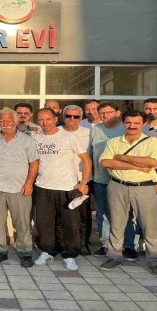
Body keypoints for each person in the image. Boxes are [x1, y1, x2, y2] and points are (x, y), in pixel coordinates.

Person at [99, 110, 157, 276]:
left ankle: (154, 261)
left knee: (149, 226)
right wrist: (137, 166)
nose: (132, 126)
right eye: (128, 122)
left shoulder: (152, 141)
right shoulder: (114, 141)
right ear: (124, 123)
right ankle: (114, 256)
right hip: (117, 186)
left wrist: (121, 157)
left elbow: (153, 162)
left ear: (143, 124)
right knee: (116, 224)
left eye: (136, 123)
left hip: (144, 187)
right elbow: (105, 162)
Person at [0, 108, 39, 267]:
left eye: (9, 120)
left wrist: (29, 183)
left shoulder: (27, 141)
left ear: (16, 121)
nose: (5, 124)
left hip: (19, 189)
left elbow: (34, 163)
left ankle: (25, 253)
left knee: (22, 223)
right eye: (2, 121)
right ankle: (0, 251)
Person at [32, 108, 91, 270]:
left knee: (70, 224)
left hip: (67, 187)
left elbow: (86, 160)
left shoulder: (69, 137)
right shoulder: (35, 138)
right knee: (44, 223)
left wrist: (84, 182)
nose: (45, 123)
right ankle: (47, 251)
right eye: (41, 119)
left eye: (48, 119)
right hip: (43, 186)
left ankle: (70, 254)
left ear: (55, 119)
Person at [90, 101, 137, 257]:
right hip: (101, 180)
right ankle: (106, 244)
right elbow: (90, 153)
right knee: (102, 213)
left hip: (123, 179)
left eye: (109, 112)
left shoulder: (126, 129)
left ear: (118, 113)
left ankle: (129, 246)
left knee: (128, 214)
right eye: (102, 113)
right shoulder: (96, 129)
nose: (105, 116)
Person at [59, 105, 92, 254]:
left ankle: (83, 243)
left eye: (76, 116)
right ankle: (62, 242)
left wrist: (85, 181)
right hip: (61, 179)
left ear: (81, 118)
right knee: (62, 213)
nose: (71, 119)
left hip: (82, 179)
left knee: (83, 214)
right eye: (68, 116)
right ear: (63, 117)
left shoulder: (88, 133)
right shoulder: (56, 132)